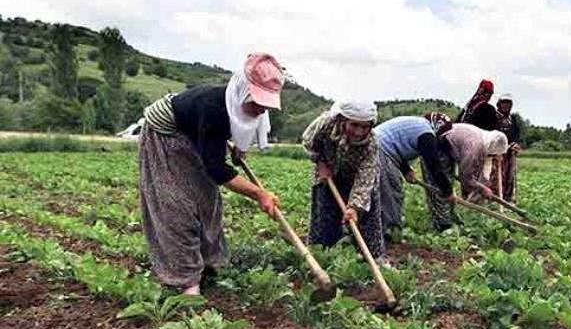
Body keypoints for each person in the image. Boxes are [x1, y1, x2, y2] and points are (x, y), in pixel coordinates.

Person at [138, 53, 284, 296]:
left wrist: (240, 148)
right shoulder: (214, 108)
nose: (260, 110)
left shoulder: (253, 109)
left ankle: (209, 263)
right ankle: (185, 280)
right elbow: (217, 169)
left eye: (265, 105)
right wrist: (259, 193)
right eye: (256, 103)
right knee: (175, 205)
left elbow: (241, 129)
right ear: (242, 92)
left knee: (208, 201)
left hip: (193, 133)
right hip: (164, 134)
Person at [302, 100, 386, 262]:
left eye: (365, 127)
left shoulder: (371, 144)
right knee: (325, 212)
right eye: (354, 125)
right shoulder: (325, 124)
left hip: (356, 176)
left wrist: (355, 207)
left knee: (368, 217)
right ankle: (321, 254)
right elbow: (308, 142)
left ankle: (373, 258)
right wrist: (320, 162)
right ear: (343, 120)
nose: (359, 132)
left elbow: (365, 177)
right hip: (328, 170)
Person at [375, 113, 454, 238]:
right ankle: (389, 231)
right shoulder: (427, 134)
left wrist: (406, 170)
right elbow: (434, 165)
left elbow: (396, 141)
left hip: (379, 145)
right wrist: (447, 190)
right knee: (392, 191)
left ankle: (378, 228)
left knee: (379, 191)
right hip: (379, 149)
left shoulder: (419, 125)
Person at [425, 123, 507, 230]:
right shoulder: (475, 145)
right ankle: (442, 224)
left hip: (448, 147)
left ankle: (449, 217)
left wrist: (482, 185)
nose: (492, 157)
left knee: (447, 185)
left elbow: (476, 171)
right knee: (440, 185)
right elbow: (466, 178)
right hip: (437, 147)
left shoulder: (483, 139)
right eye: (493, 155)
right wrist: (482, 188)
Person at [492, 93, 522, 202]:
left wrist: (516, 144)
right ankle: (495, 198)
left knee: (510, 175)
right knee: (496, 175)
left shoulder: (512, 119)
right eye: (504, 104)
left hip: (510, 151)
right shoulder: (494, 117)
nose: (506, 106)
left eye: (508, 104)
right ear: (499, 104)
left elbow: (517, 134)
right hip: (496, 151)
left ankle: (507, 198)